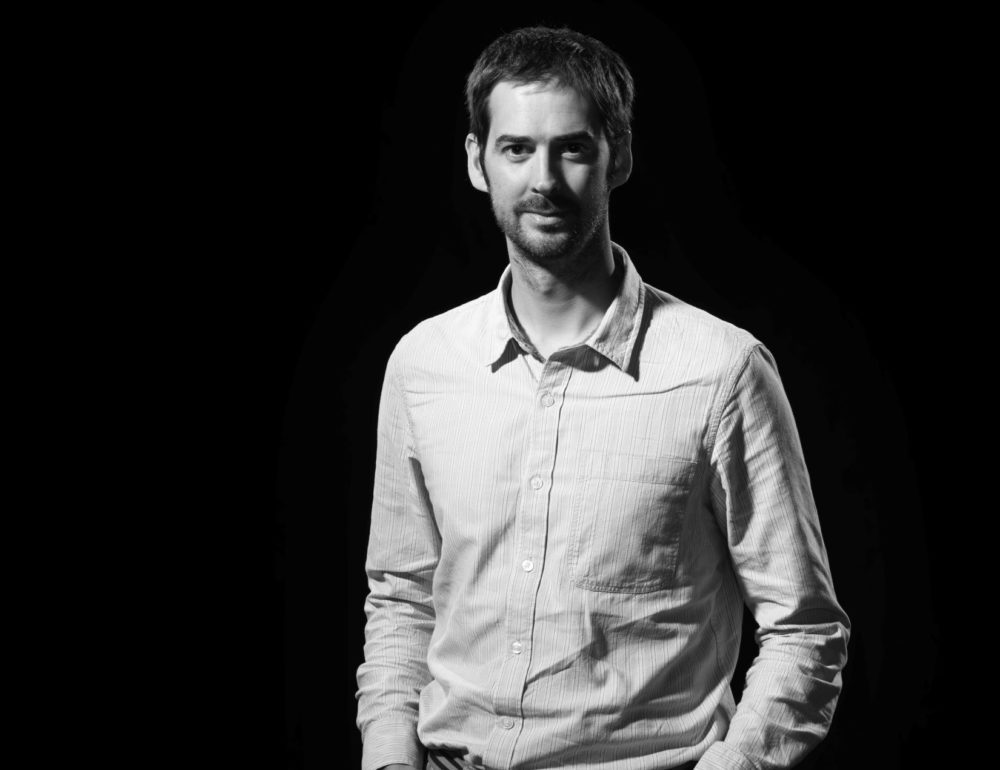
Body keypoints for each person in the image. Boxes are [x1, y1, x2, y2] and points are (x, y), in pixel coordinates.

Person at [355, 25, 850, 770]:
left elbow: (805, 627)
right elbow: (402, 597)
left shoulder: (721, 370)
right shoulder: (424, 364)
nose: (543, 180)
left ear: (618, 156)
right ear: (476, 162)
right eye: (516, 149)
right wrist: (390, 757)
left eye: (573, 148)